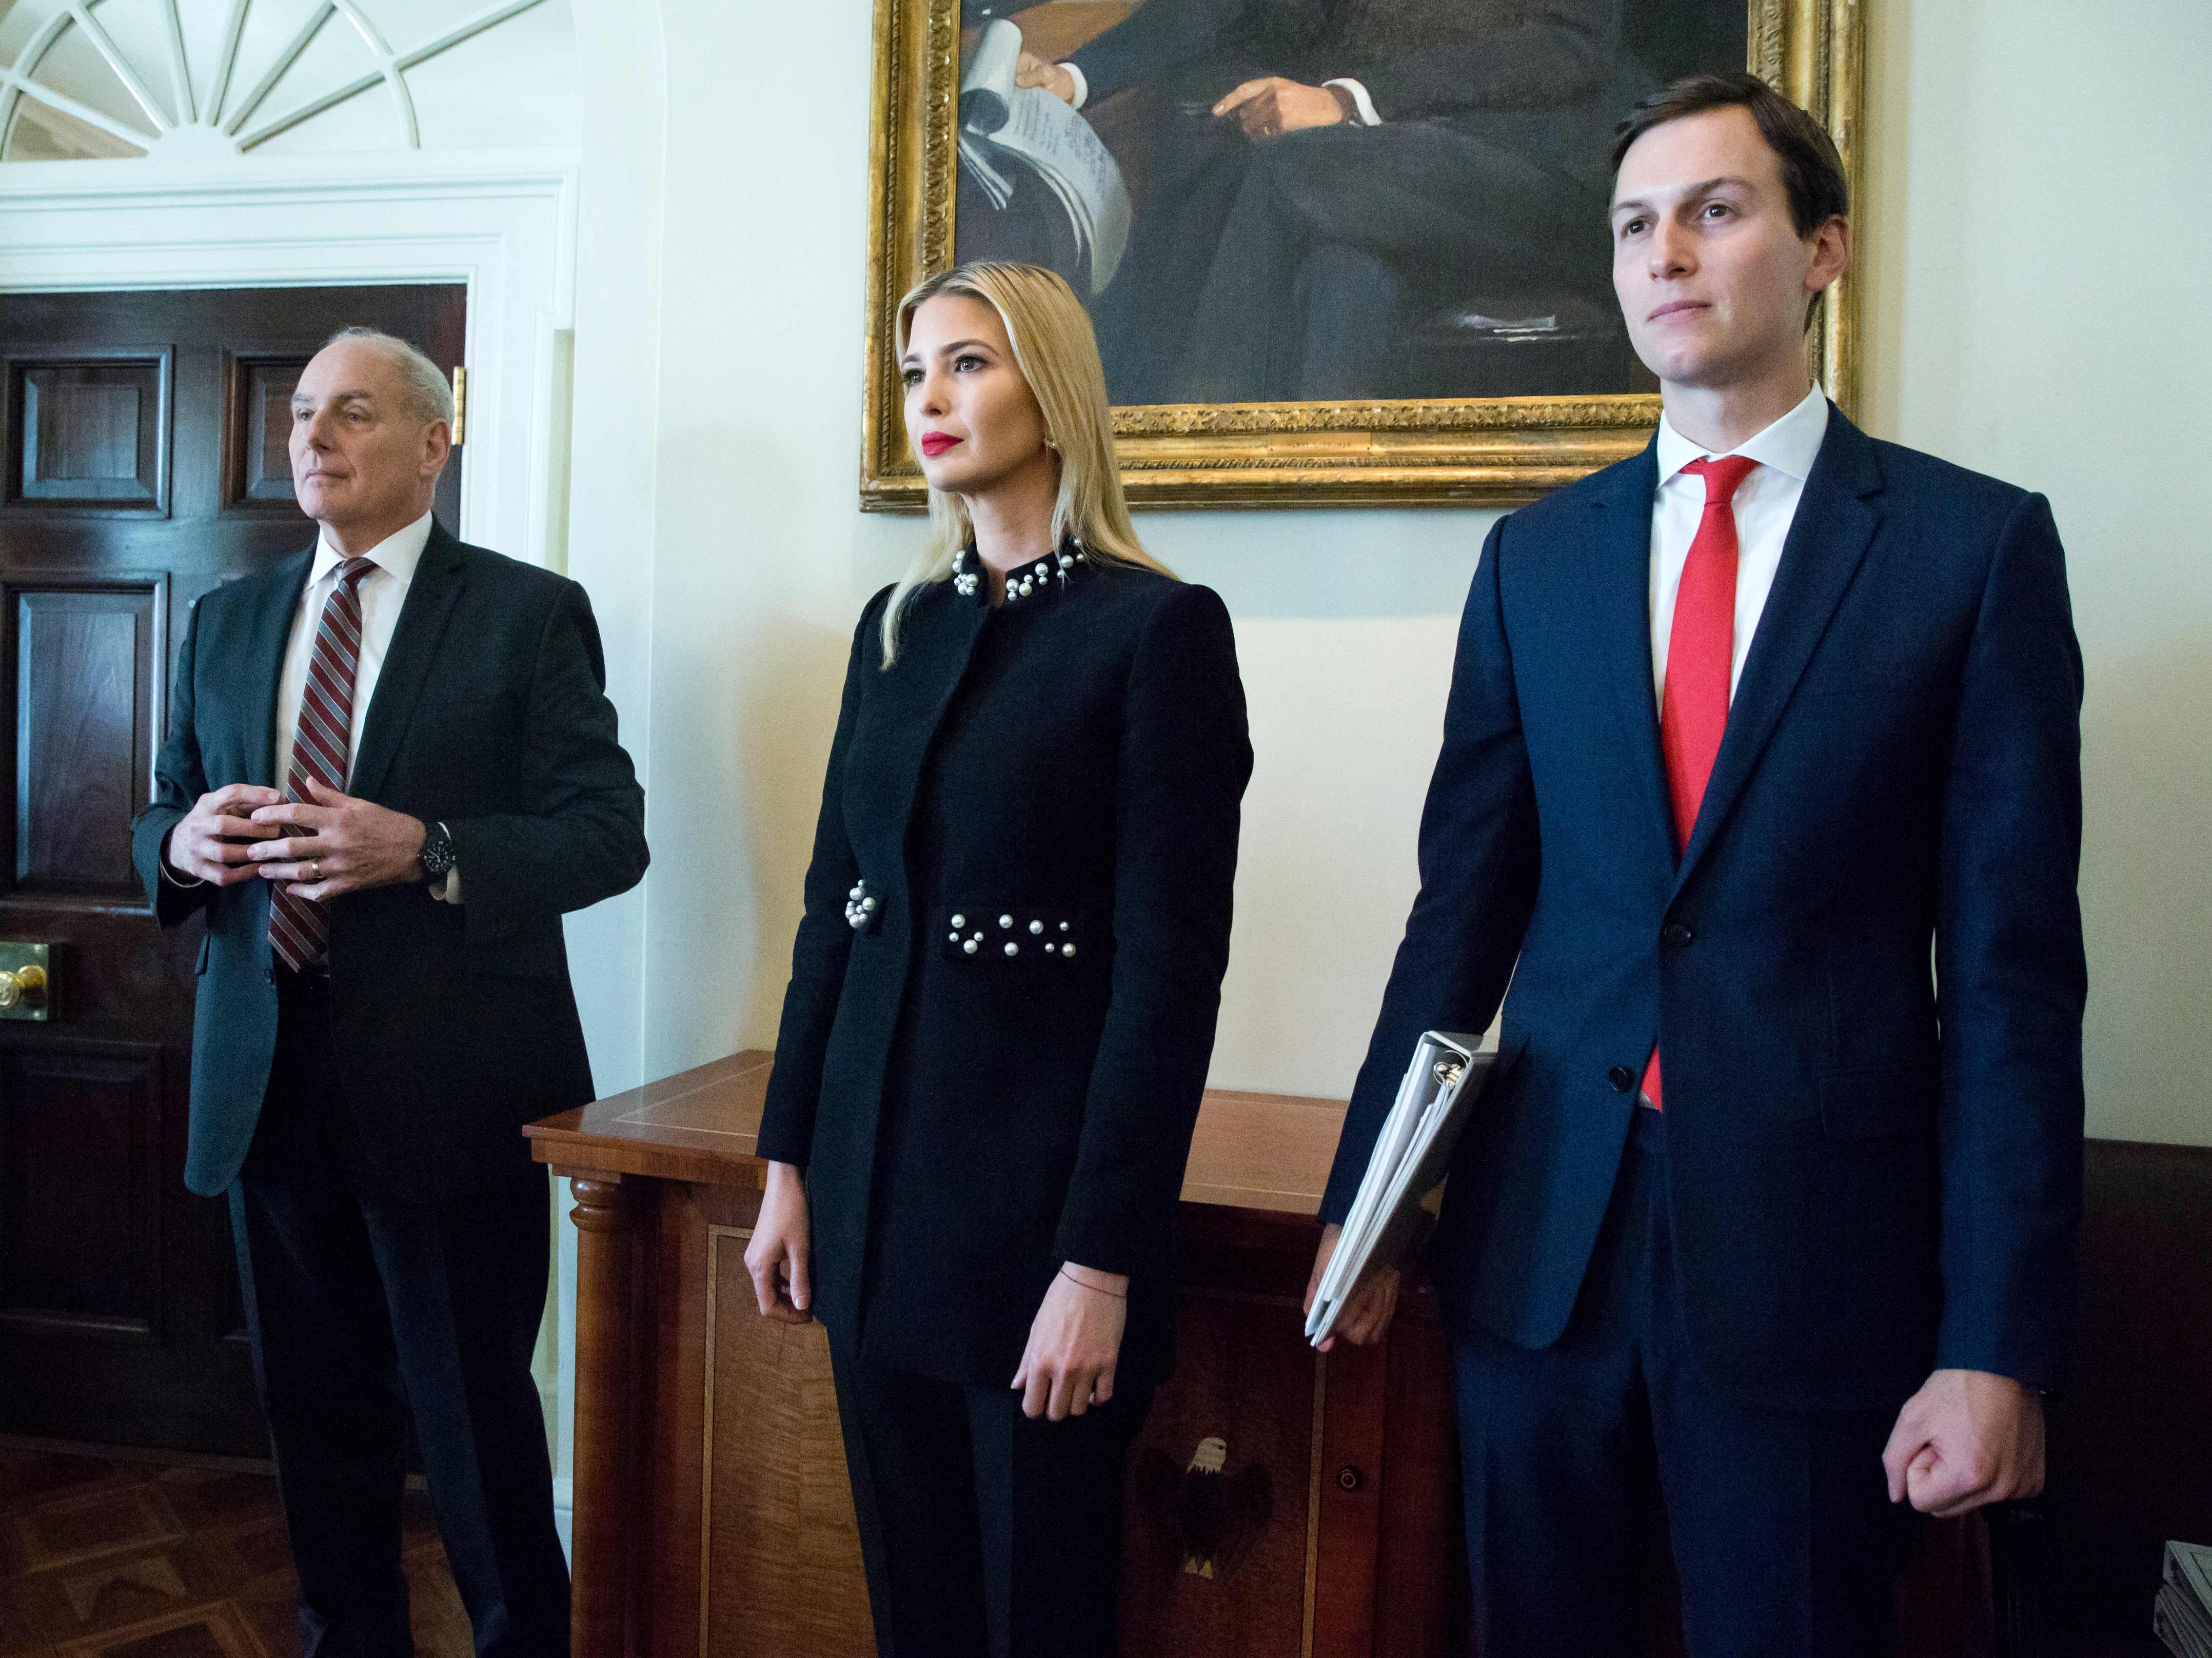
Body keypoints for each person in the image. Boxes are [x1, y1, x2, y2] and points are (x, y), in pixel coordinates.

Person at [1308, 73, 2085, 1654]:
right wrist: (1368, 1208)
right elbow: (1458, 918)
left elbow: (2011, 987)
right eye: (1633, 226)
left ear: (1821, 252)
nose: (1665, 253)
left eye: (1714, 211)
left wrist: (1998, 1346)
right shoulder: (1536, 557)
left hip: (1816, 1274)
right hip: (1543, 1257)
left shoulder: (1971, 551)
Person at [744, 260, 1251, 1657]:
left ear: (1054, 386)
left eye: (969, 363)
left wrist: (1100, 1263)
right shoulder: (898, 631)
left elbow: (1169, 982)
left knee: (1040, 1623)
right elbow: (832, 910)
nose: (933, 398)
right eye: (916, 373)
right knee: (918, 1619)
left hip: (1036, 1239)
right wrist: (789, 1165)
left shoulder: (1158, 632)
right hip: (872, 1208)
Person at [131, 328, 647, 1656]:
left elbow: (607, 833)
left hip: (452, 1094)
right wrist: (180, 849)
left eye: (350, 413)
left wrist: (427, 848)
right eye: (302, 413)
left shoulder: (528, 613)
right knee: (317, 1424)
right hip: (267, 1083)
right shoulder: (230, 617)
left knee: (474, 1425)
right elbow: (164, 809)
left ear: (433, 443)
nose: (312, 437)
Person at [1014, 0, 1626, 401]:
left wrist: (1349, 100)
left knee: (1281, 171)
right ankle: (1306, 539)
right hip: (1365, 179)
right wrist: (1076, 76)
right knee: (1346, 276)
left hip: (1539, 174)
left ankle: (1195, 456)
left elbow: (1568, 47)